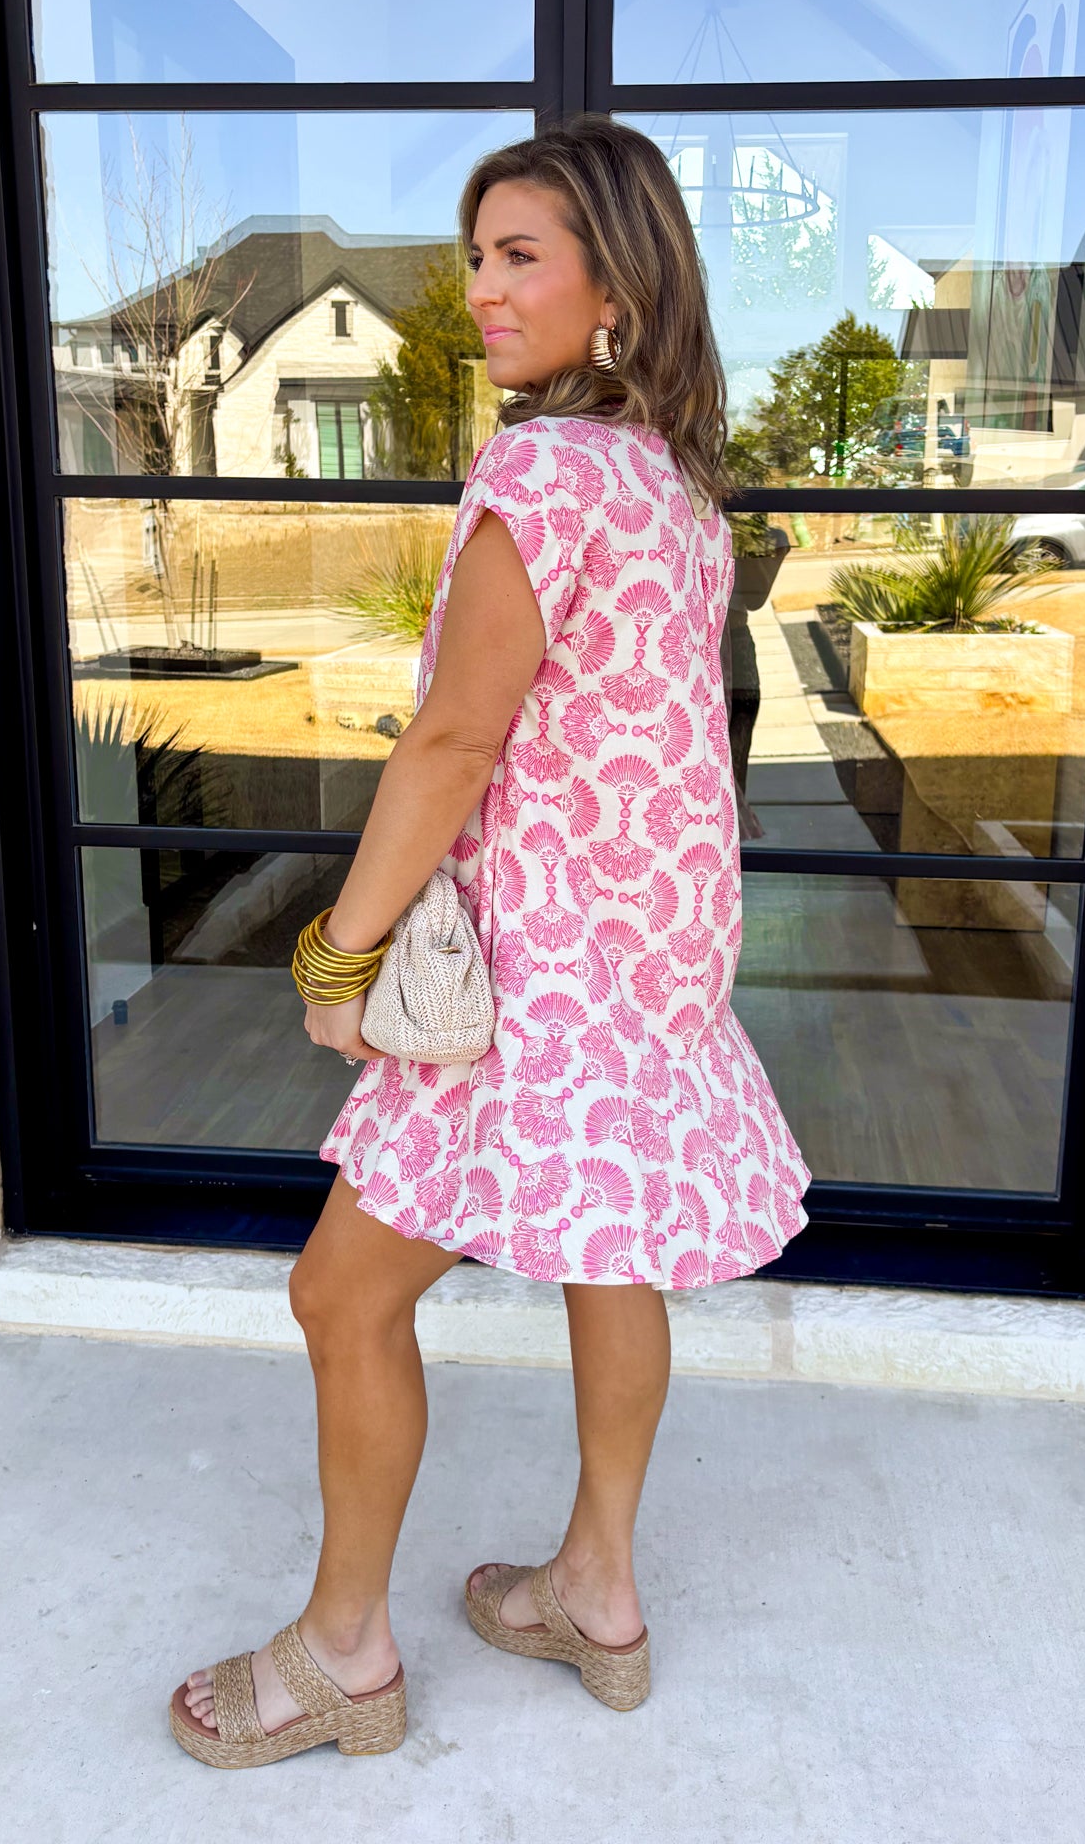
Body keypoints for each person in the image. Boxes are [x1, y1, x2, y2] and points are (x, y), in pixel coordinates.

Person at [170, 116, 812, 1768]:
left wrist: (340, 955)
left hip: (541, 978)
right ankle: (596, 1591)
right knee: (614, 1255)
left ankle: (341, 1655)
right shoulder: (678, 489)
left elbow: (457, 739)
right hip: (654, 964)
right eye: (474, 258)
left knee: (339, 1296)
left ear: (620, 283)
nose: (479, 290)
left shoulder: (542, 472)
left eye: (520, 255)